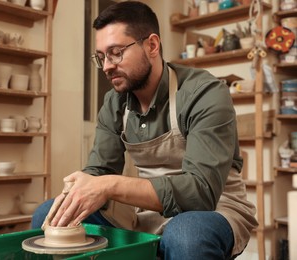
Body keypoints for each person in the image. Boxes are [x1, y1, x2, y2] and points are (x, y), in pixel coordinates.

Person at [32, 1, 258, 259]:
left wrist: (107, 185)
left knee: (186, 235)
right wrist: (79, 190)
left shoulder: (204, 93)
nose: (106, 66)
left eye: (116, 52)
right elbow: (100, 171)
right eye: (101, 56)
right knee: (49, 214)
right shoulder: (115, 102)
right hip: (144, 210)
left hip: (214, 207)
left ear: (152, 45)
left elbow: (200, 193)